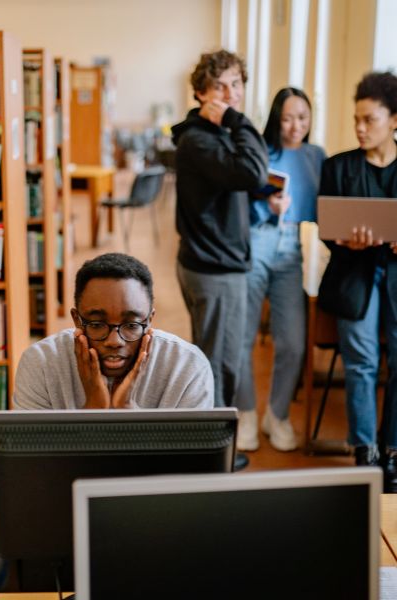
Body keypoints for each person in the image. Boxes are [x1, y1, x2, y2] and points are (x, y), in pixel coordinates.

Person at [172, 50, 268, 469]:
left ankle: (208, 449)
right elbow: (251, 172)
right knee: (220, 363)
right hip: (215, 267)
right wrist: (236, 121)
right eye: (221, 87)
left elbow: (242, 179)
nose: (231, 95)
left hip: (211, 260)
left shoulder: (205, 137)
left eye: (237, 85)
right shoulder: (199, 138)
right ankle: (214, 457)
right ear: (200, 94)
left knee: (215, 357)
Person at [317, 71, 397, 490]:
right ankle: (365, 450)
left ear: (395, 120)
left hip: (396, 279)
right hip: (355, 278)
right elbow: (327, 228)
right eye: (356, 120)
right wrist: (348, 241)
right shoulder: (338, 167)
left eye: (370, 119)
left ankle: (394, 450)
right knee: (362, 365)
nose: (361, 128)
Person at [235, 88, 326, 452]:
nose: (295, 126)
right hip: (256, 240)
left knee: (292, 341)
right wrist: (264, 205)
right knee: (242, 337)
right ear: (276, 118)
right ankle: (245, 413)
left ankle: (277, 414)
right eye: (288, 118)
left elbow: (325, 204)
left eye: (302, 118)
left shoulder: (316, 156)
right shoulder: (259, 150)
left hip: (292, 246)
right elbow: (238, 198)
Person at [14, 253, 214, 410]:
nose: (114, 341)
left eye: (132, 326)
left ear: (150, 320)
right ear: (77, 320)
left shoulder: (188, 367)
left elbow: (191, 462)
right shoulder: (40, 363)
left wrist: (127, 410)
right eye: (96, 324)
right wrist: (93, 408)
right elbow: (35, 461)